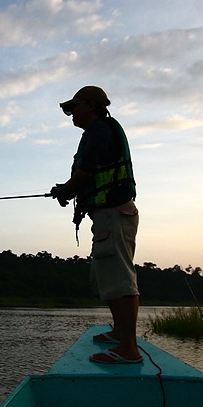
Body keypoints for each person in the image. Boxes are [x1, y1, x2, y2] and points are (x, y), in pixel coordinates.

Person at [50, 86, 142, 364]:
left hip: (114, 213)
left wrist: (66, 190)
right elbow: (90, 174)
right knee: (108, 276)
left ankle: (129, 349)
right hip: (109, 215)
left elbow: (88, 169)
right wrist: (67, 190)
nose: (70, 114)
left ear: (91, 105)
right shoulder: (100, 131)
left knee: (119, 279)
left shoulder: (99, 130)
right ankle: (119, 334)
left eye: (73, 107)